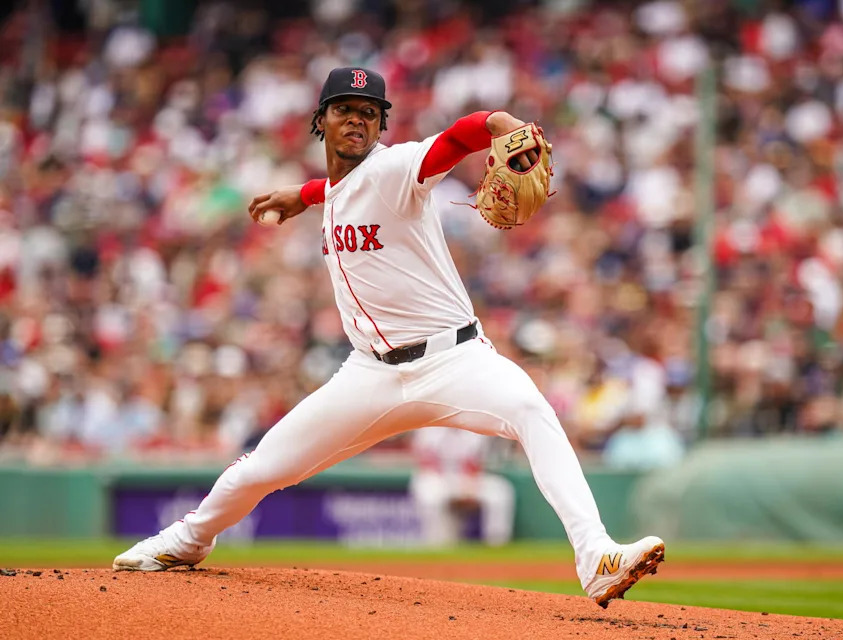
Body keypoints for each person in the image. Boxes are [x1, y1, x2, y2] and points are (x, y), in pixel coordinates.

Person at [113, 67, 664, 608]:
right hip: (370, 374)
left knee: (530, 409)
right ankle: (186, 541)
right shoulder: (333, 190)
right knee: (262, 468)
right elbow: (338, 189)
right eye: (345, 110)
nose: (358, 120)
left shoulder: (396, 167)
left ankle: (595, 555)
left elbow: (453, 139)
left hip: (455, 359)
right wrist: (300, 195)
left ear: (381, 127)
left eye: (370, 114)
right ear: (320, 120)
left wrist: (499, 122)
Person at [409, 426, 515, 547]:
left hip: (467, 478)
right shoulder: (428, 427)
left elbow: (476, 463)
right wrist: (452, 485)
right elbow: (426, 461)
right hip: (438, 477)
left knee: (500, 491)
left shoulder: (475, 425)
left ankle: (497, 544)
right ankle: (437, 545)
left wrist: (469, 486)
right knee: (430, 495)